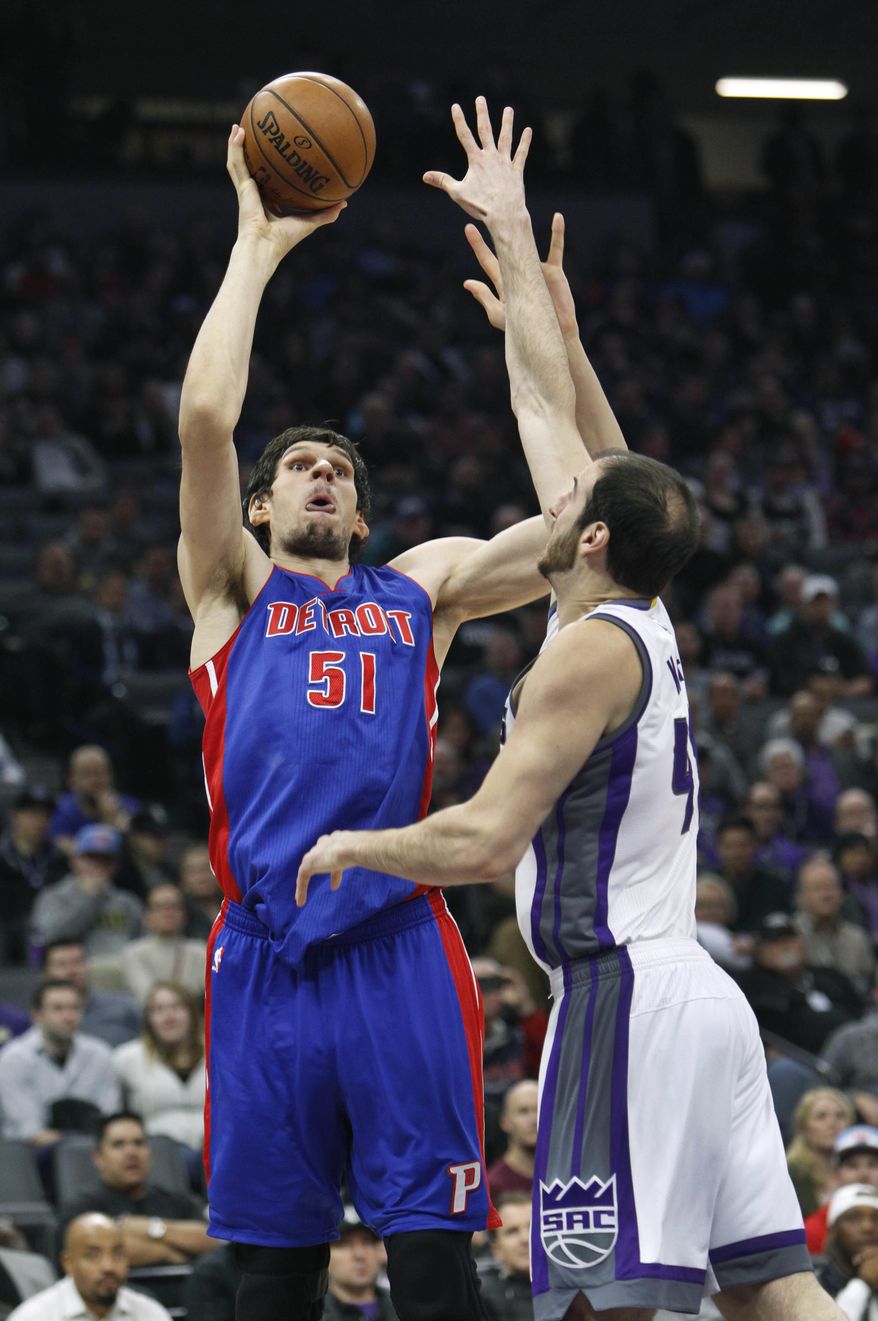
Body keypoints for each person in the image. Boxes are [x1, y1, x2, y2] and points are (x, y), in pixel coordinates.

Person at [296, 100, 842, 1320]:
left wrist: (354, 845)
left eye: (570, 508)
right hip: (702, 1005)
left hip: (622, 998)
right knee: (773, 1297)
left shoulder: (583, 653)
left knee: (593, 1306)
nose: (551, 504)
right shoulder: (630, 606)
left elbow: (486, 842)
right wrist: (549, 329)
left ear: (586, 538)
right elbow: (576, 437)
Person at [175, 101, 599, 1321]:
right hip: (261, 950)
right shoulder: (227, 594)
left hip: (396, 944)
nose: (321, 473)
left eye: (341, 473)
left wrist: (523, 278)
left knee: (429, 1257)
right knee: (272, 1268)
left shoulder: (417, 589)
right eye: (298, 467)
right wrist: (257, 242)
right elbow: (207, 421)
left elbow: (577, 520)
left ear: (361, 518)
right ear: (257, 511)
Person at [58, 1112, 217, 1268]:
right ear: (98, 1158)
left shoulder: (178, 1201)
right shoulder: (82, 1209)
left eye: (139, 1143)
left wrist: (151, 1227)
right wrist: (169, 1253)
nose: (131, 1153)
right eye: (118, 1145)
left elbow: (211, 1241)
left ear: (150, 1152)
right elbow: (104, 1254)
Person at [0, 979, 120, 1146]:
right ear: (37, 1015)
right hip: (32, 1159)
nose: (68, 1016)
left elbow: (110, 1120)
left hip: (95, 1155)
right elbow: (29, 1131)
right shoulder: (13, 1060)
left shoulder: (100, 1054)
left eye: (74, 1008)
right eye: (58, 1009)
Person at [112, 981, 205, 1176]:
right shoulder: (126, 1059)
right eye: (159, 1010)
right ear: (148, 1019)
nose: (169, 1016)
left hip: (215, 1146)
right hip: (158, 1152)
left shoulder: (219, 1052)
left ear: (192, 1014)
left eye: (177, 1007)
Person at [7, 1212, 173, 1321]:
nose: (108, 1266)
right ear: (68, 1263)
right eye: (93, 1256)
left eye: (117, 1253)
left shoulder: (150, 1314)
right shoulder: (33, 1317)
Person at [29, 824, 144, 959]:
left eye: (106, 859)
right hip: (73, 974)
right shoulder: (54, 896)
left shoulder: (127, 901)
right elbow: (47, 939)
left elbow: (143, 942)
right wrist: (89, 897)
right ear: (74, 861)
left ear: (115, 866)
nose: (98, 865)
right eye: (91, 857)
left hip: (121, 973)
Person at [91, 884, 206, 1004]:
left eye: (174, 907)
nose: (168, 913)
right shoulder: (134, 953)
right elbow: (148, 997)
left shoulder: (200, 950)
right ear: (148, 916)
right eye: (160, 907)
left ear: (184, 914)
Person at [0, 784, 66, 964]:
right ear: (15, 816)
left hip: (50, 936)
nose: (40, 820)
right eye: (32, 813)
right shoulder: (3, 858)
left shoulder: (61, 860)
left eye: (45, 814)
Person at [793, 854, 875, 994]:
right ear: (801, 896)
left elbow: (870, 986)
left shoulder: (857, 938)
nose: (827, 895)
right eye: (818, 888)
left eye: (831, 887)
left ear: (841, 894)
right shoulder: (790, 936)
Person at [42, 939, 141, 1048]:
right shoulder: (41, 1014)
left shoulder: (124, 1007)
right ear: (46, 973)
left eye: (77, 962)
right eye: (62, 965)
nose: (71, 971)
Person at [785, 1088, 856, 1218]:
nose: (832, 1123)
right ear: (804, 1128)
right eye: (821, 1116)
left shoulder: (864, 1169)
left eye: (840, 1116)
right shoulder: (789, 1174)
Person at [806, 1127, 878, 1254]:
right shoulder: (812, 1230)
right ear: (836, 1173)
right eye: (852, 1165)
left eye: (873, 1165)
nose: (863, 1173)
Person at [815, 1185, 878, 1317]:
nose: (868, 1227)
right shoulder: (813, 1278)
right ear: (833, 1232)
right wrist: (863, 1283)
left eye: (876, 1219)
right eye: (853, 1218)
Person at [323, 1211, 398, 1321]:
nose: (360, 1255)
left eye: (367, 1242)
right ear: (325, 1256)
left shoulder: (408, 1308)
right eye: (345, 1244)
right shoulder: (309, 1313)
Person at [479, 1191, 533, 1321]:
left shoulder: (571, 1290)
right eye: (512, 1232)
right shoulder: (481, 1299)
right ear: (496, 1249)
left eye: (532, 1227)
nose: (525, 1239)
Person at [486, 1080, 538, 1200]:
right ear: (505, 1122)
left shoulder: (564, 1178)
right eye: (523, 1111)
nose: (534, 1120)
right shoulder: (493, 1185)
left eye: (540, 1109)